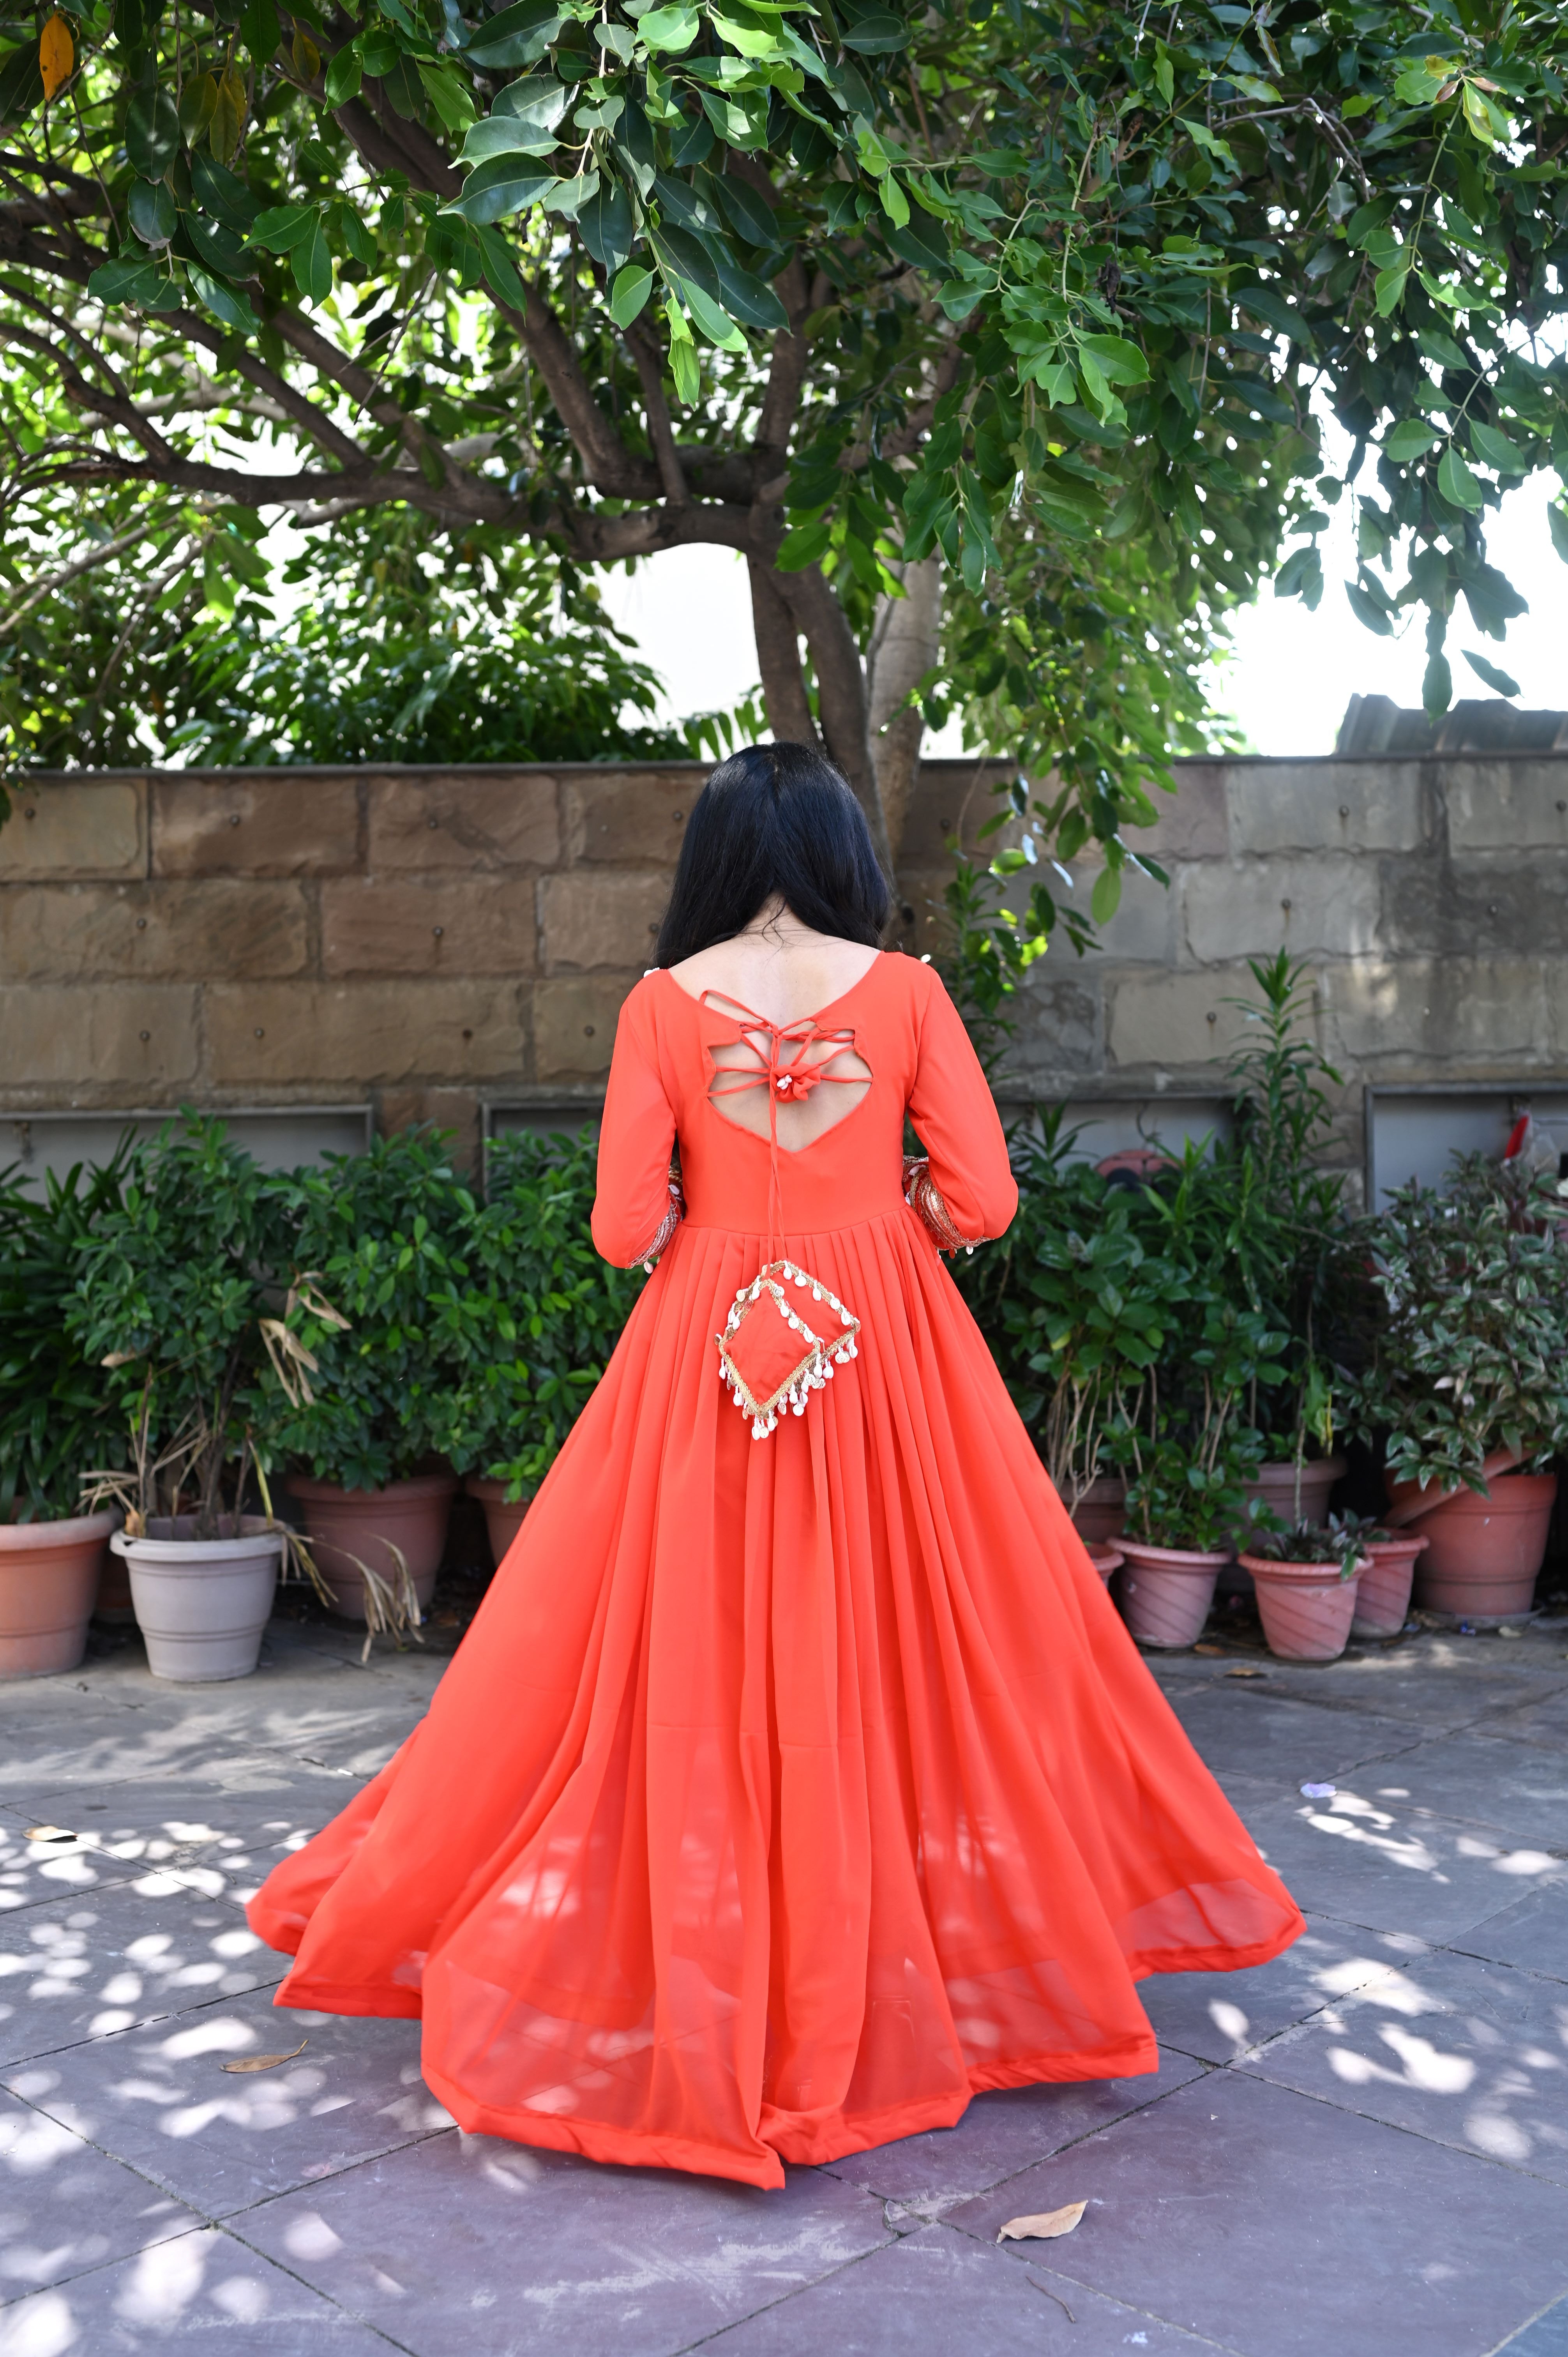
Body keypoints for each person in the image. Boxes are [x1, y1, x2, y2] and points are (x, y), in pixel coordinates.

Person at [248, 741, 1303, 2191]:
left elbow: (625, 1230)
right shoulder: (911, 991)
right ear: (841, 857)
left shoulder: (661, 1007)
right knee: (929, 1643)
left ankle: (685, 1960)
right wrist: (879, 1238)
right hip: (886, 1352)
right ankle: (910, 1963)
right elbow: (985, 1196)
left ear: (716, 862)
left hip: (710, 1353)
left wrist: (729, 1244)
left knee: (678, 1651)